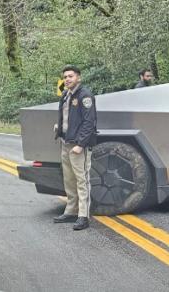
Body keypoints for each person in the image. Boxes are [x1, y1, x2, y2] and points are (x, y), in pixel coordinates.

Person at [53, 65, 97, 230]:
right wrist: (60, 126)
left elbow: (89, 122)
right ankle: (71, 211)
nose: (67, 79)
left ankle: (83, 216)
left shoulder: (85, 95)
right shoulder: (65, 94)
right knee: (69, 180)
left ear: (78, 77)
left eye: (70, 76)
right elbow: (69, 116)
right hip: (66, 143)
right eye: (65, 77)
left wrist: (81, 144)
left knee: (81, 180)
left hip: (78, 145)